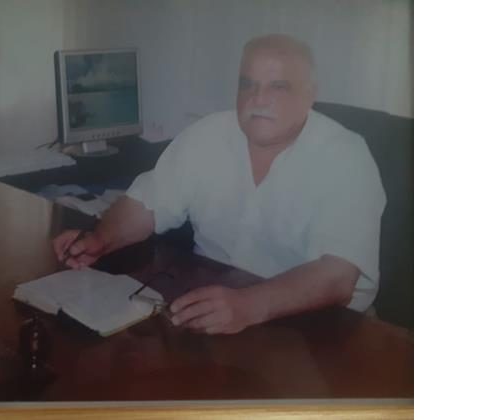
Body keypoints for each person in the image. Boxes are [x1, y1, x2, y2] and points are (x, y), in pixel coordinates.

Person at [53, 34, 386, 335]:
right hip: (218, 305)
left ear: (309, 95)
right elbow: (147, 204)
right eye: (247, 84)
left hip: (322, 326)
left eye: (278, 87)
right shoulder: (207, 135)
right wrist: (101, 239)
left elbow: (337, 276)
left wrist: (249, 306)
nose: (258, 98)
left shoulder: (345, 156)